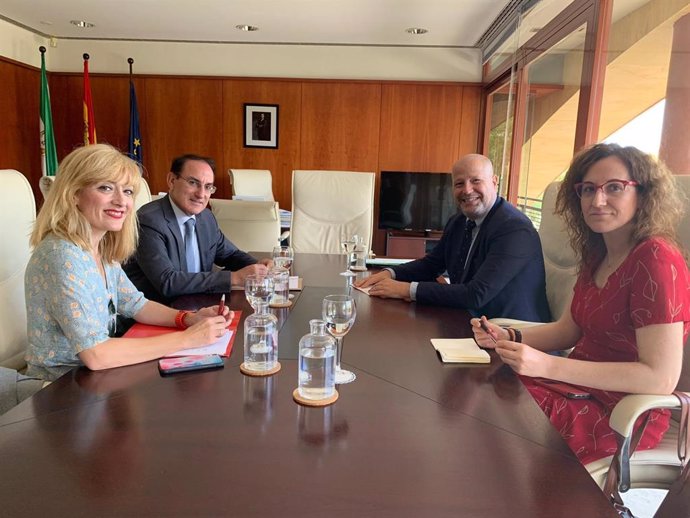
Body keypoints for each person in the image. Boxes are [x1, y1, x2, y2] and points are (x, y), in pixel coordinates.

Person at [472, 143, 690, 464]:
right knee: (483, 387)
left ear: (643, 194)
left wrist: (547, 365)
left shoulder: (656, 259)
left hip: (624, 411)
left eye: (614, 187)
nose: (597, 200)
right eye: (588, 189)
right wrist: (508, 337)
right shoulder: (596, 254)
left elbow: (659, 378)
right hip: (574, 387)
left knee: (496, 418)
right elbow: (567, 332)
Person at [24, 144, 231, 382]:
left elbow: (135, 303)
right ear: (73, 194)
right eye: (106, 188)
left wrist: (186, 319)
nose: (121, 201)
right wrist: (189, 338)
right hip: (59, 389)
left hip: (97, 379)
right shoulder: (62, 255)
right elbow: (97, 355)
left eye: (128, 191)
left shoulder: (99, 246)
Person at [356, 154, 550, 322]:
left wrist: (406, 290)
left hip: (509, 334)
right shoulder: (459, 221)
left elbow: (476, 294)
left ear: (494, 181)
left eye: (475, 181)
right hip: (468, 320)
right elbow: (432, 264)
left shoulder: (514, 229)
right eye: (459, 183)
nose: (466, 190)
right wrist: (391, 273)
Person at [124, 154, 271, 303]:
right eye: (193, 183)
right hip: (158, 313)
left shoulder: (206, 218)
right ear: (172, 180)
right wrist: (234, 278)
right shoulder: (148, 221)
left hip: (198, 306)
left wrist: (258, 267)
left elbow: (230, 254)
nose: (201, 194)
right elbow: (167, 282)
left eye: (208, 187)